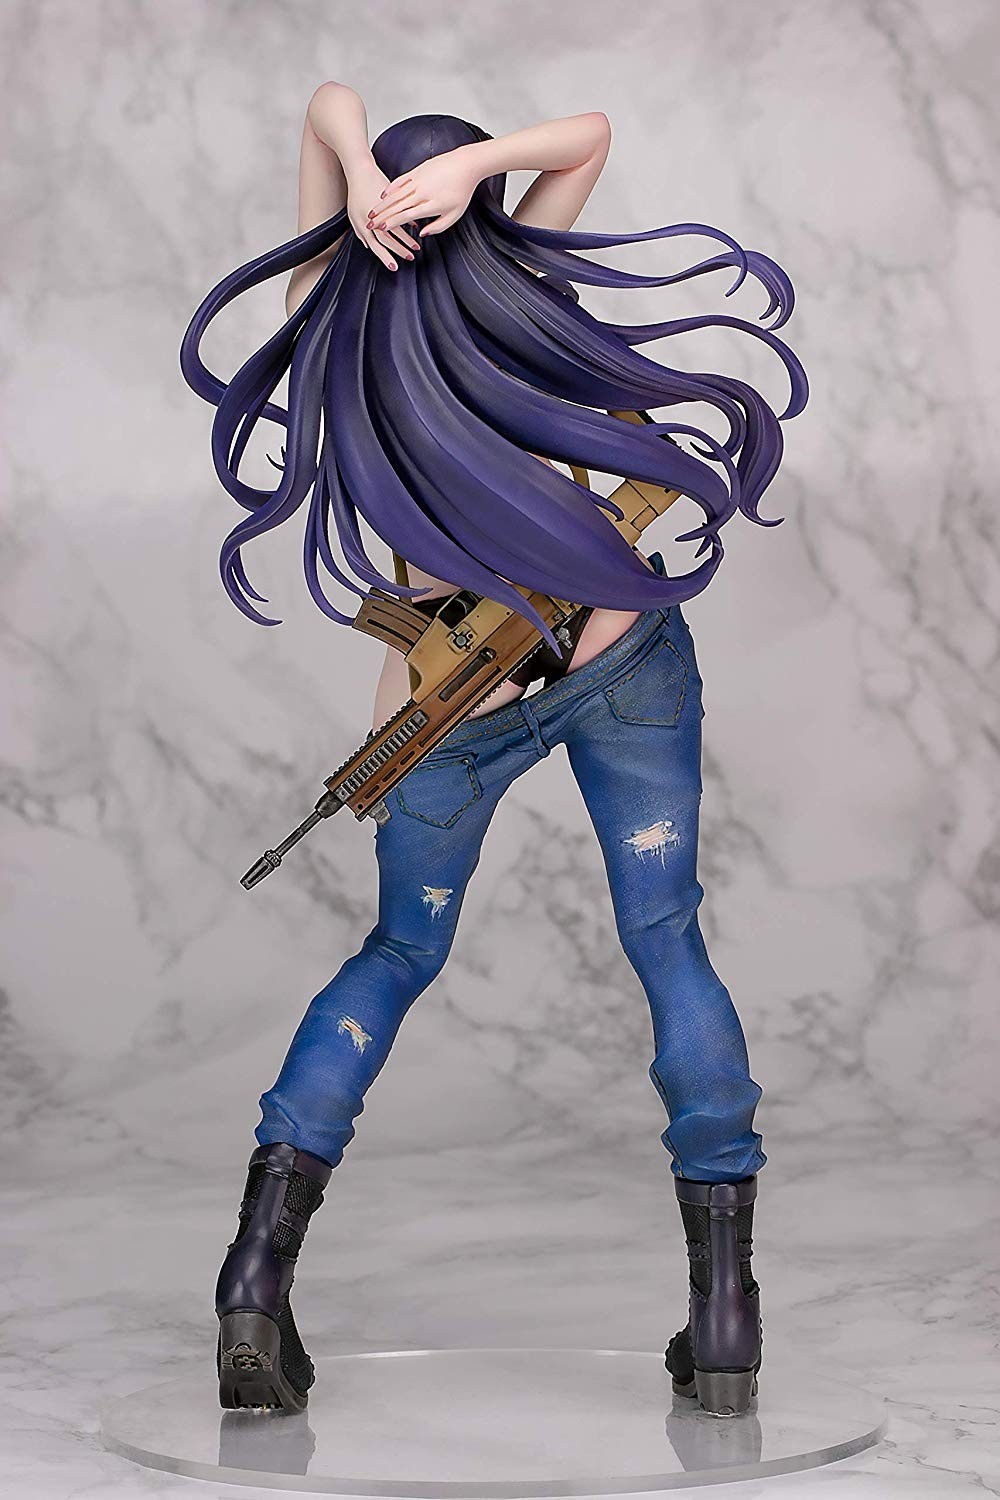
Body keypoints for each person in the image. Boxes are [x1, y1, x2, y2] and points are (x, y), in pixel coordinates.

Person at [180, 82, 808, 1417]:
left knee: (398, 951)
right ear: (477, 206)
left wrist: (359, 175)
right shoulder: (523, 286)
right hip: (618, 657)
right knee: (667, 939)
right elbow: (589, 134)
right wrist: (472, 174)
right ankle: (727, 1314)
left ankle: (253, 1282)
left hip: (443, 702)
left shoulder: (325, 320)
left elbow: (322, 107)